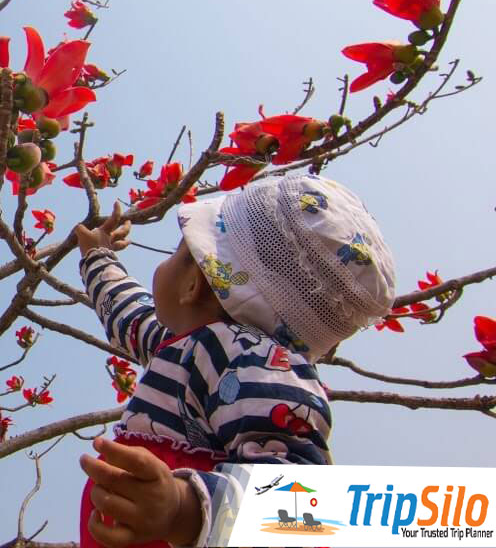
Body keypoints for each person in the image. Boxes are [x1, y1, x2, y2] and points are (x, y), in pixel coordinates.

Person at [71, 174, 396, 547]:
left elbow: (299, 497)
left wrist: (183, 510)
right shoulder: (188, 350)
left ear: (193, 285)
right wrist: (97, 255)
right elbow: (128, 315)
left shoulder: (258, 361)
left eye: (177, 253)